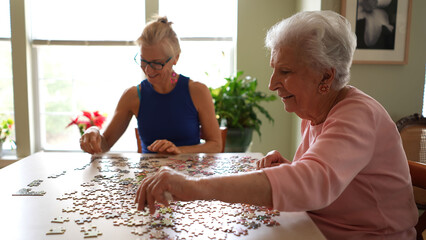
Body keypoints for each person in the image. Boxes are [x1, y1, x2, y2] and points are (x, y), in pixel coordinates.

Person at [135, 11, 418, 239]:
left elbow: (312, 183)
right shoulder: (315, 111)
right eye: (274, 69)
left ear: (325, 77)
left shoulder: (358, 115)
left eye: (285, 71)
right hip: (315, 228)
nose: (272, 84)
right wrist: (288, 168)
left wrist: (193, 187)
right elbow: (323, 175)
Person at [79, 16, 222, 154]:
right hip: (149, 177)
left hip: (190, 176)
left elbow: (215, 145)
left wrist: (180, 151)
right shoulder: (132, 96)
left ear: (176, 58)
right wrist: (93, 131)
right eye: (143, 61)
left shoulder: (197, 91)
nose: (147, 70)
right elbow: (105, 144)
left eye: (156, 63)